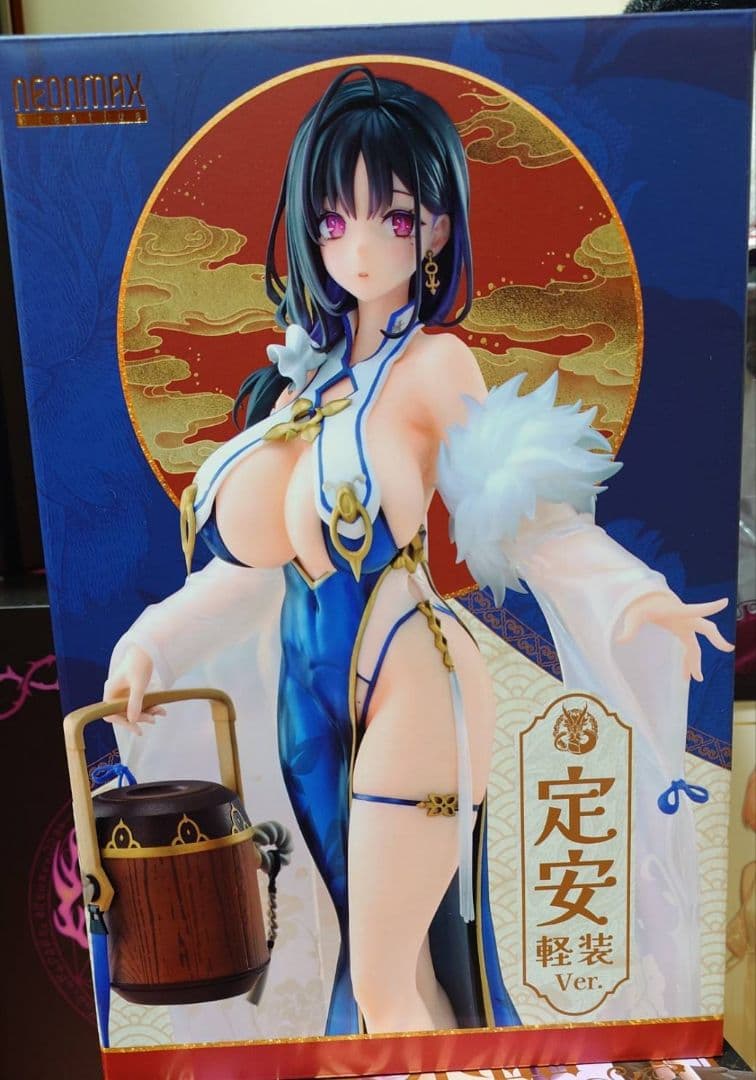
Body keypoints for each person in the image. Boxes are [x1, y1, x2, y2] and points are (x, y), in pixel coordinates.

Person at [105, 66, 733, 1037]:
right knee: (365, 969)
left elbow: (523, 508)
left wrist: (629, 595)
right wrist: (151, 643)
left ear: (435, 228)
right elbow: (244, 577)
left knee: (385, 979)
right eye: (334, 218)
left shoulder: (436, 365)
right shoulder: (297, 388)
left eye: (392, 217)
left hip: (412, 676)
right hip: (304, 699)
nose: (359, 246)